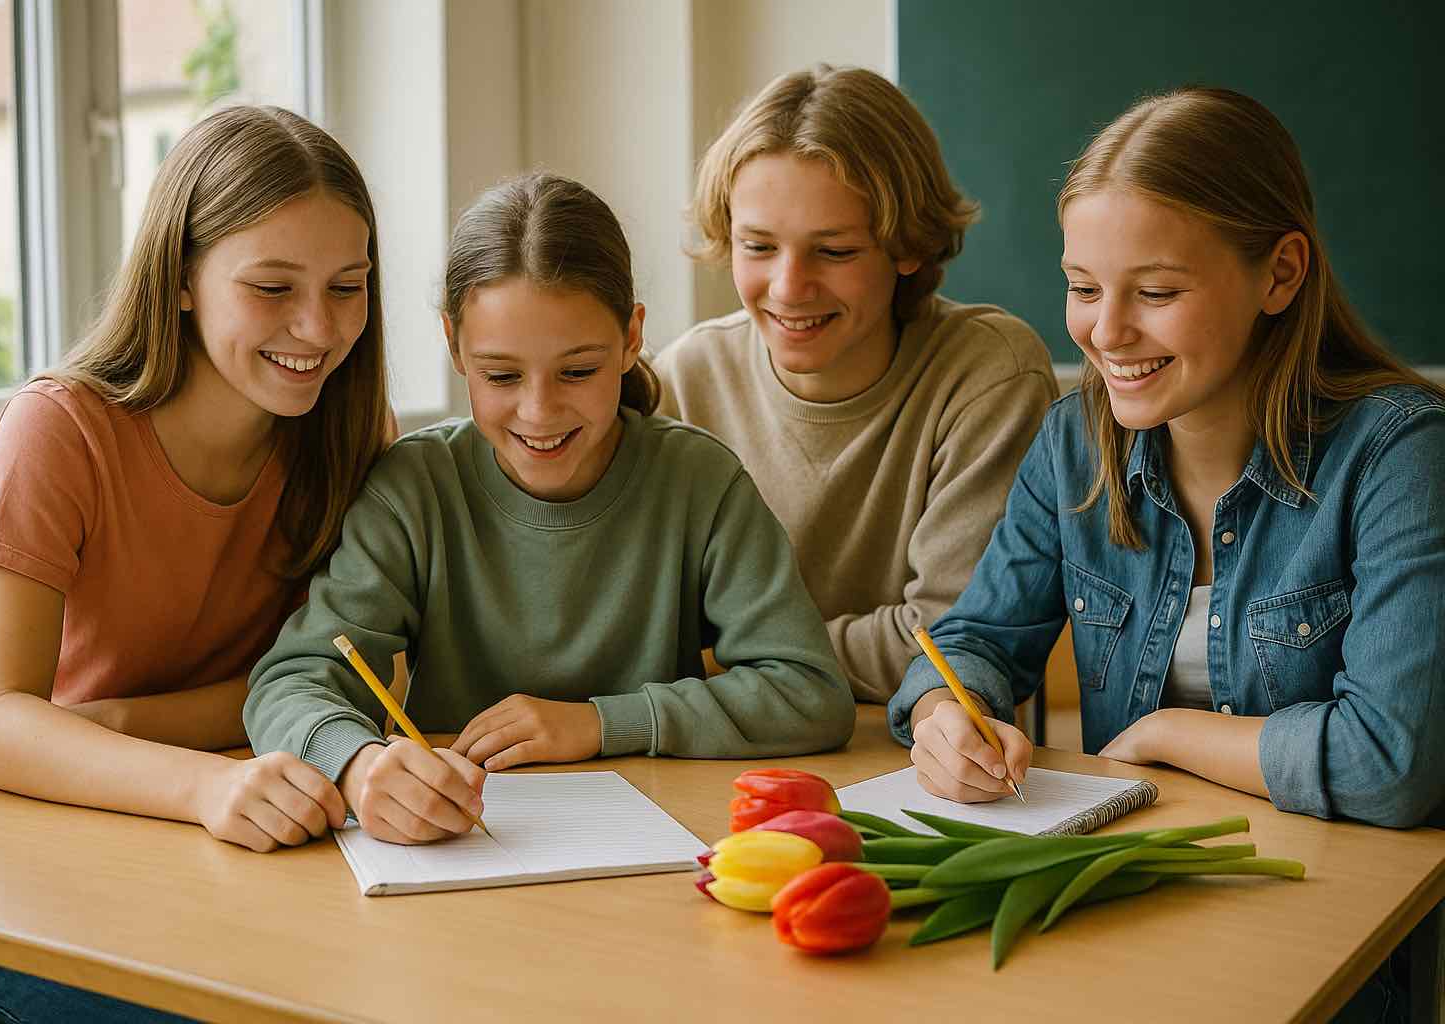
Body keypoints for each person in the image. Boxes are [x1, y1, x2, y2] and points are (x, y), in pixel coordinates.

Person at [0, 105, 391, 1022]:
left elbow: (353, 681)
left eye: (347, 286)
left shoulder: (351, 437)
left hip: (222, 791)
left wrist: (127, 724)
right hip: (16, 808)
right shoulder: (59, 429)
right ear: (179, 281)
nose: (317, 327)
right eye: (272, 287)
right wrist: (205, 775)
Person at [893, 86, 1445, 836]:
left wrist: (1166, 733)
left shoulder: (1401, 455)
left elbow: (1391, 764)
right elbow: (975, 642)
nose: (1106, 332)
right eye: (1083, 288)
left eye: (1155, 292)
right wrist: (944, 716)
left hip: (1344, 884)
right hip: (1140, 870)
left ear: (1281, 273)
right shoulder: (1074, 444)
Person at [244, 172, 855, 845]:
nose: (538, 412)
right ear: (454, 344)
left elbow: (810, 693)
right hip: (460, 846)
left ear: (631, 337)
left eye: (578, 371)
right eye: (501, 375)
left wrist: (599, 723)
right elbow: (289, 683)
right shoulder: (412, 490)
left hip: (655, 841)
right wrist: (358, 764)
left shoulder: (700, 482)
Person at [655, 65, 1057, 702]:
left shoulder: (988, 374)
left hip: (915, 743)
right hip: (723, 737)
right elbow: (643, 635)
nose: (789, 288)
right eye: (758, 247)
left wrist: (732, 661)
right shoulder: (683, 381)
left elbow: (952, 641)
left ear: (908, 247)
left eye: (834, 251)